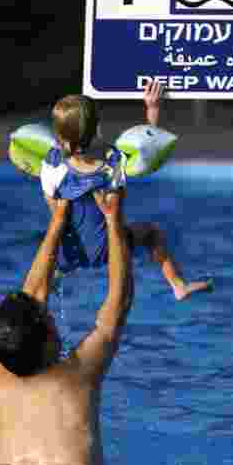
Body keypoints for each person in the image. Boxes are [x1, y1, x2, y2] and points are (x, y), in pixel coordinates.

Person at [0, 187, 132, 465]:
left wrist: (58, 221)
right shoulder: (76, 376)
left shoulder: (0, 371)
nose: (52, 316)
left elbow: (31, 297)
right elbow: (119, 303)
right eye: (50, 320)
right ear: (47, 339)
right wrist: (113, 221)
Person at [41, 79, 212, 301]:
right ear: (96, 128)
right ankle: (178, 285)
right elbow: (147, 149)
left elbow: (54, 208)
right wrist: (153, 107)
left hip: (68, 249)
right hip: (109, 248)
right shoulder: (112, 162)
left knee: (57, 241)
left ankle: (54, 278)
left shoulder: (51, 163)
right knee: (151, 233)